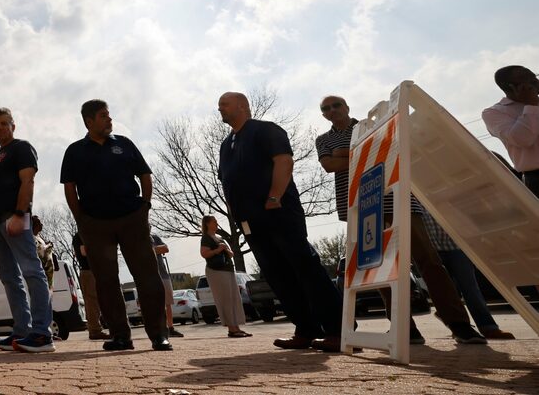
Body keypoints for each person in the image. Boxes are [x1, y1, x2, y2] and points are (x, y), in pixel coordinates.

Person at [315, 94, 487, 345]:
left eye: (336, 105)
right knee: (379, 267)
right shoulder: (324, 139)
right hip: (361, 206)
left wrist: (347, 154)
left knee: (428, 260)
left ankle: (459, 323)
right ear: (323, 115)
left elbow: (387, 152)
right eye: (326, 108)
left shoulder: (370, 126)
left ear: (347, 106)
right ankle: (404, 327)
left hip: (398, 198)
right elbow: (329, 165)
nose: (332, 110)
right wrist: (362, 154)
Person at [218, 91, 344, 352]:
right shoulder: (226, 144)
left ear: (242, 106)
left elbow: (284, 161)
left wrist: (274, 197)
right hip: (250, 223)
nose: (219, 108)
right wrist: (236, 215)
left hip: (278, 211)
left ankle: (338, 330)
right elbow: (227, 181)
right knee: (277, 275)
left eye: (224, 104)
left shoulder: (266, 130)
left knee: (304, 267)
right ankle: (306, 330)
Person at [61, 99, 171, 351]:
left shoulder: (124, 144)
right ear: (89, 121)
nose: (109, 120)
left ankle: (158, 335)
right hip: (96, 224)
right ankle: (121, 336)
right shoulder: (75, 151)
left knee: (147, 276)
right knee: (106, 281)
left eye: (109, 115)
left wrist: (145, 206)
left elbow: (145, 175)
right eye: (103, 116)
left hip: (132, 218)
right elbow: (70, 188)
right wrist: (82, 220)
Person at [0, 107, 54, 353]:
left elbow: (28, 181)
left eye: (4, 123)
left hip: (15, 218)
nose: (0, 127)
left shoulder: (21, 147)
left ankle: (41, 333)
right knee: (9, 279)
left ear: (13, 125)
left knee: (32, 271)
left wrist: (19, 214)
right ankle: (22, 330)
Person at [420, 210, 514, 339]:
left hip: (455, 245)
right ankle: (458, 326)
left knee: (470, 287)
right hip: (430, 247)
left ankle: (488, 327)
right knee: (444, 290)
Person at [482, 65, 539, 197]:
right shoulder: (493, 113)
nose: (535, 82)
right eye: (528, 81)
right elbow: (523, 139)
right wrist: (531, 105)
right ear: (511, 87)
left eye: (534, 77)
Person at [199, 215, 250, 338]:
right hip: (216, 271)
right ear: (207, 224)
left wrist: (226, 250)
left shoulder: (220, 238)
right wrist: (218, 250)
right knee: (225, 299)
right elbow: (204, 254)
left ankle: (237, 327)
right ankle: (232, 329)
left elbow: (231, 254)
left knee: (234, 298)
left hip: (228, 270)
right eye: (214, 221)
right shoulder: (206, 238)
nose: (217, 223)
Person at [71, 232, 110, 340]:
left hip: (97, 270)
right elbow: (84, 251)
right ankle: (95, 330)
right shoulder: (80, 236)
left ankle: (98, 329)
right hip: (88, 271)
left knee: (100, 301)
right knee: (92, 302)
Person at [151, 233, 183, 338]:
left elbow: (165, 248)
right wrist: (156, 250)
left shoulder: (155, 237)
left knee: (168, 303)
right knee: (155, 304)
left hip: (164, 275)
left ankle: (171, 328)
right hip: (149, 276)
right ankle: (159, 329)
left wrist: (151, 250)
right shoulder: (138, 237)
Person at [31, 216, 55, 289]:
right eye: (39, 223)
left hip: (48, 274)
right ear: (34, 225)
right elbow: (39, 253)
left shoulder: (39, 237)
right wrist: (48, 246)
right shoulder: (32, 238)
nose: (42, 224)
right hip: (41, 273)